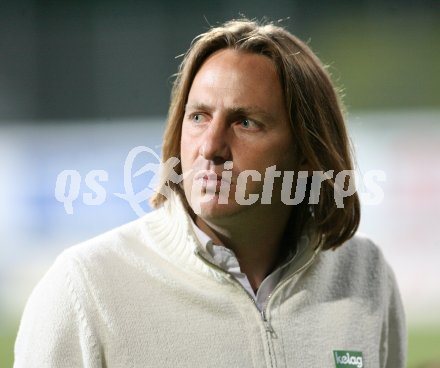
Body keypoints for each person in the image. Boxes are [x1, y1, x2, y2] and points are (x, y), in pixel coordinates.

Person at [14, 19, 406, 367]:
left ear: (306, 154)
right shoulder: (85, 287)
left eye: (245, 122)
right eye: (198, 117)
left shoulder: (365, 275)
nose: (211, 147)